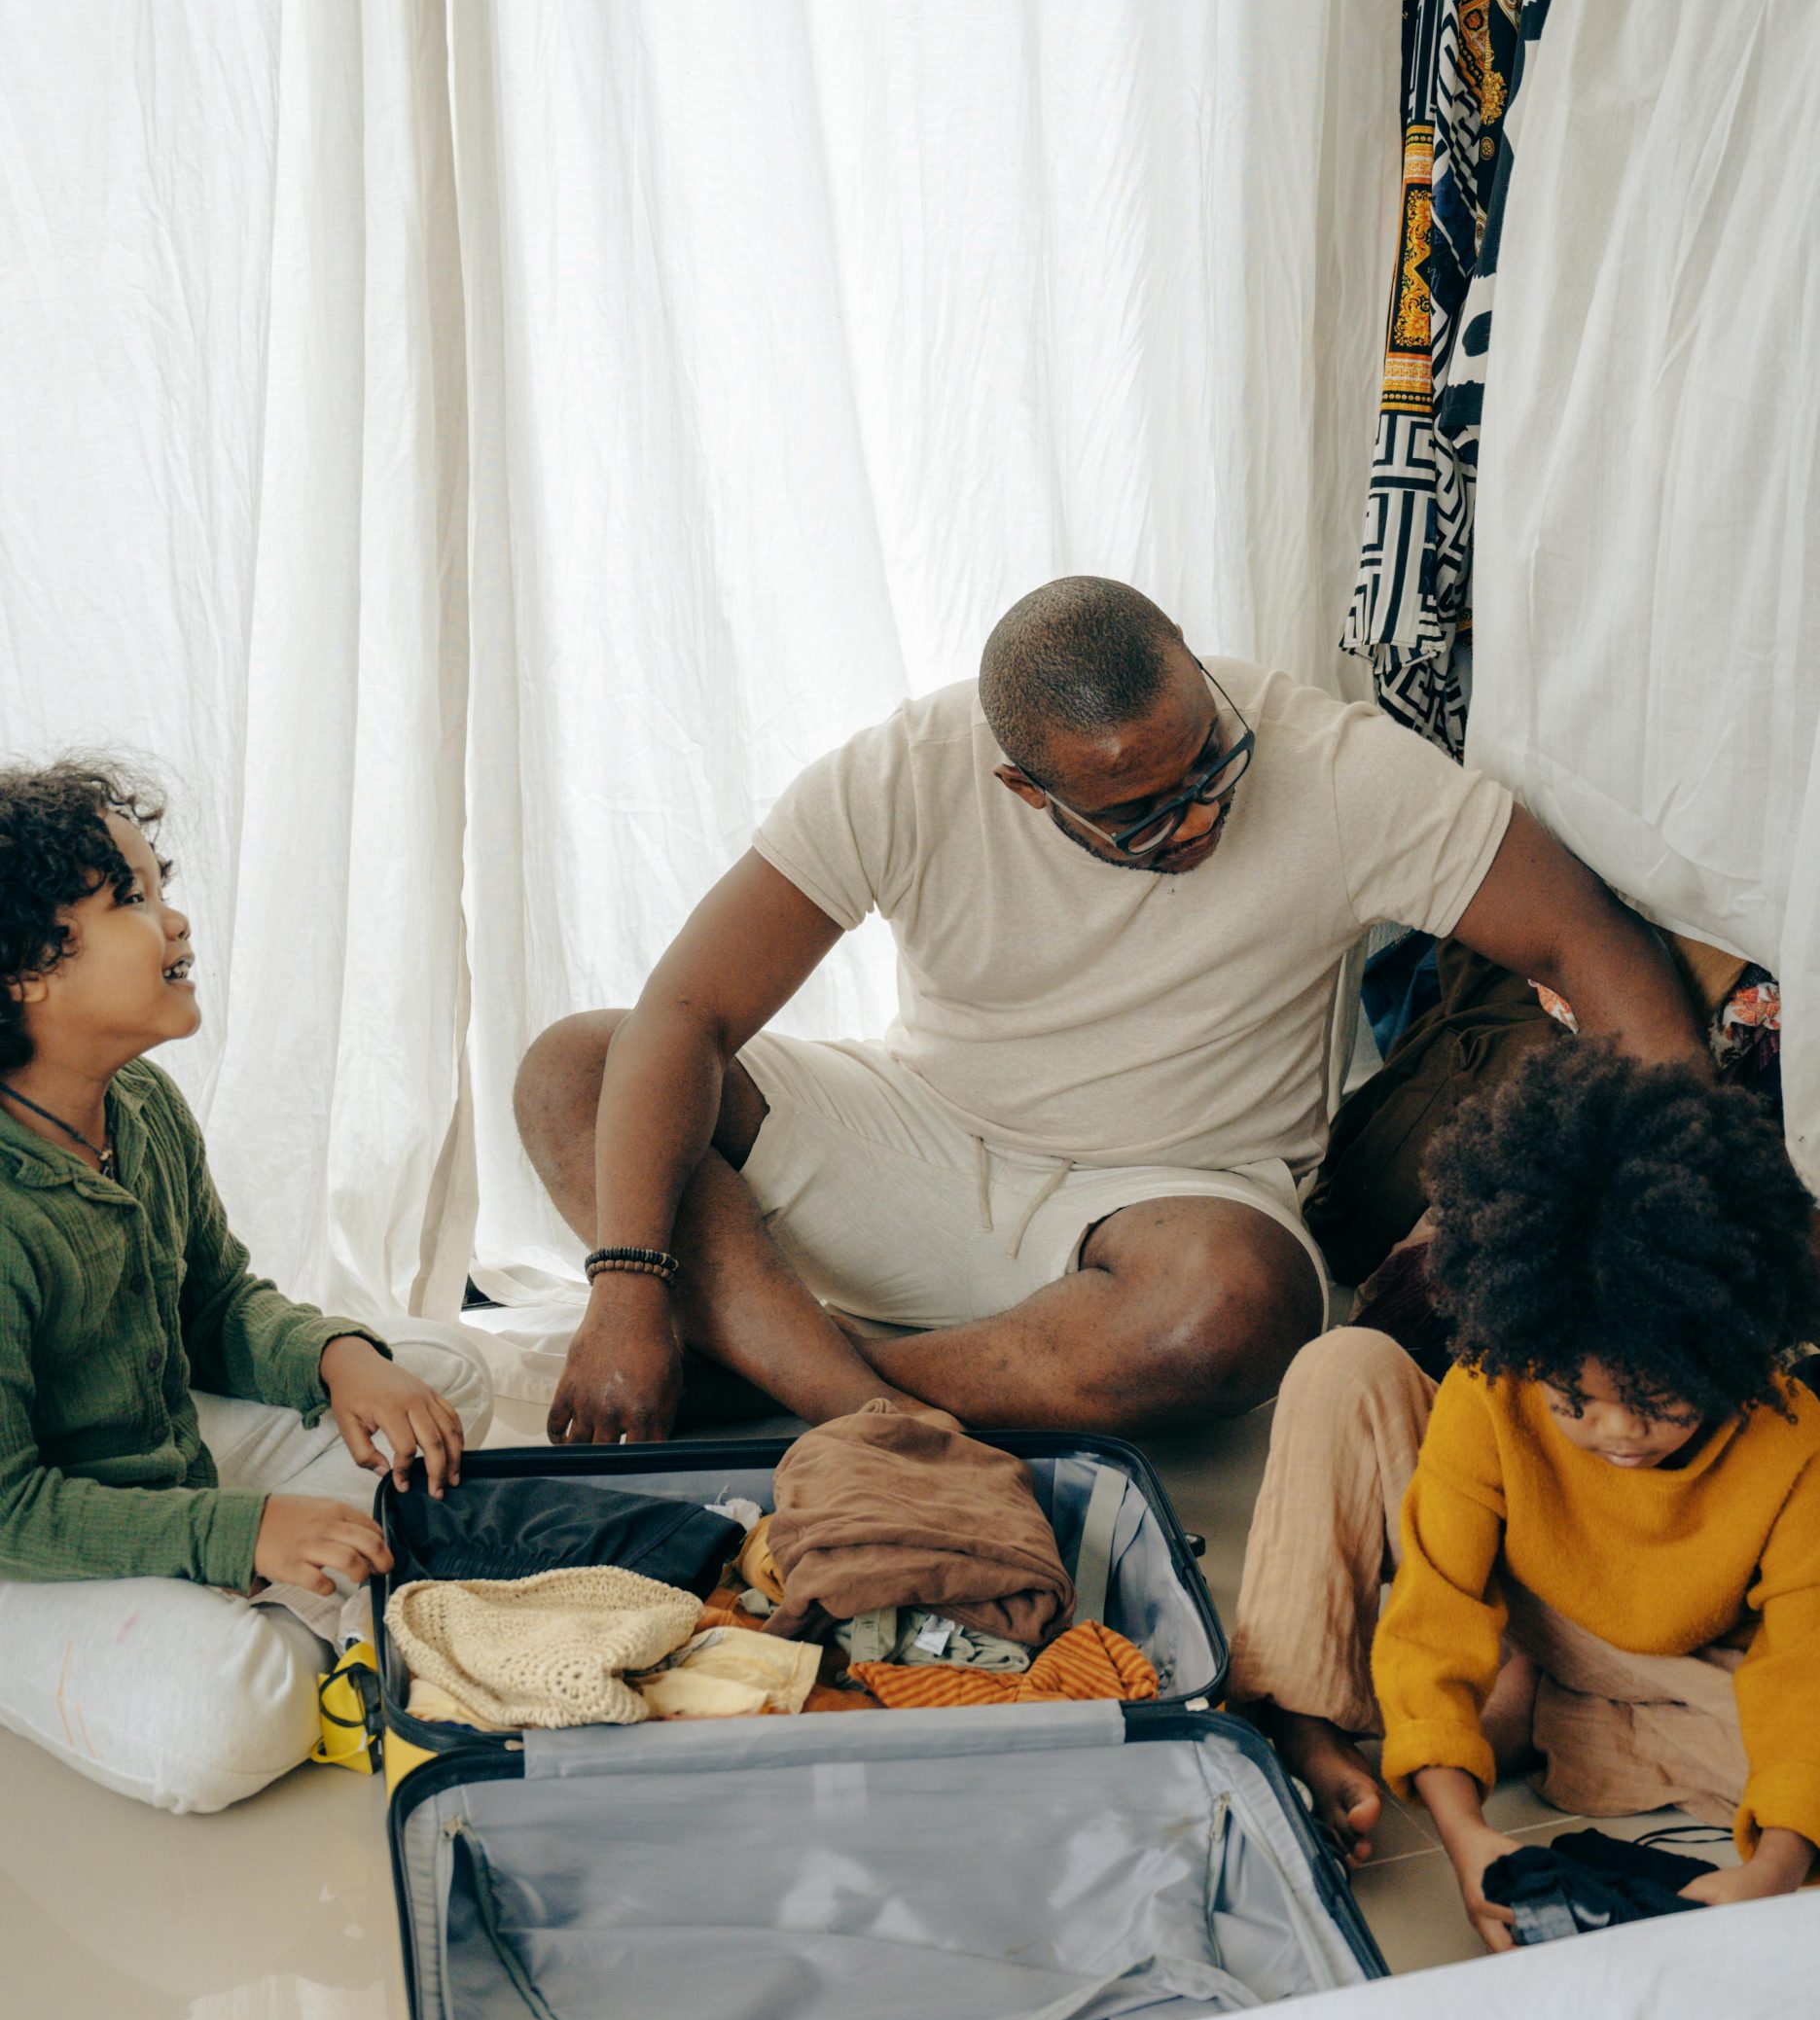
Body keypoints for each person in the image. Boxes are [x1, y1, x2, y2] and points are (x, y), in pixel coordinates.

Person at [517, 576, 1704, 1445]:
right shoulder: (905, 771)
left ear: (1189, 659)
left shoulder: (1335, 766)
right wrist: (625, 1281)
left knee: (1238, 1311)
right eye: (1136, 815)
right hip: (923, 1139)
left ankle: (796, 1374)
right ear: (1020, 785)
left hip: (1172, 1200)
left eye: (1206, 770)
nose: (1191, 821)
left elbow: (1583, 940)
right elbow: (686, 1009)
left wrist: (1686, 1207)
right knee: (578, 1063)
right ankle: (854, 1400)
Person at [1229, 1039, 1820, 1947]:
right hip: (1524, 1605)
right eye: (1575, 1404)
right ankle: (1304, 1720)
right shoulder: (1491, 1386)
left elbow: (1801, 1674)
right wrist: (1465, 1840)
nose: (1617, 1434)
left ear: (1729, 1352)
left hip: (1674, 1667)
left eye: (1658, 1405)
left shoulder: (1793, 1441)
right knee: (1341, 1367)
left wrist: (1774, 1868)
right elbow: (1435, 1609)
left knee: (1801, 1777)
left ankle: (1529, 1712)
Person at [0, 760, 492, 1812]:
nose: (173, 923)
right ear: (23, 970)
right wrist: (239, 1531)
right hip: (22, 1535)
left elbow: (216, 1305)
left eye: (157, 886)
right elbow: (9, 1502)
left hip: (154, 1457)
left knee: (438, 1377)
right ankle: (299, 1625)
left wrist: (337, 1356)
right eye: (127, 898)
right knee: (227, 1720)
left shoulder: (140, 1104)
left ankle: (292, 1610)